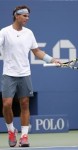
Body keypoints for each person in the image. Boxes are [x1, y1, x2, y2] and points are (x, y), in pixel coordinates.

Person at [0, 5, 60, 147]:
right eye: (25, 15)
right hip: (9, 73)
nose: (27, 18)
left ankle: (24, 136)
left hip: (25, 73)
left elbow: (37, 52)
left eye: (28, 16)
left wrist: (52, 60)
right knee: (7, 104)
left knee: (25, 104)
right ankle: (11, 131)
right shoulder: (4, 32)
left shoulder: (29, 33)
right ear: (16, 15)